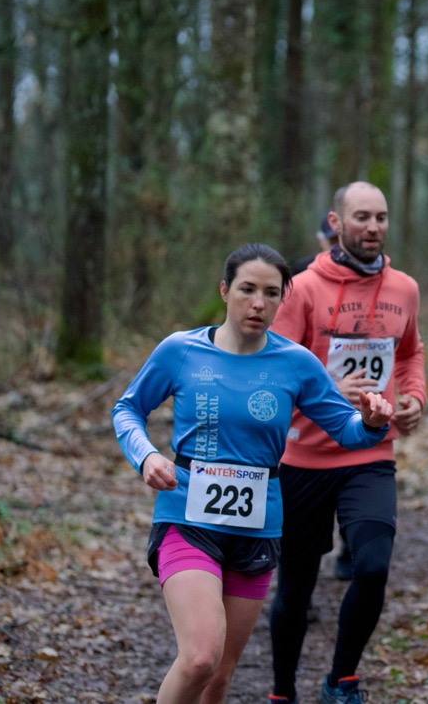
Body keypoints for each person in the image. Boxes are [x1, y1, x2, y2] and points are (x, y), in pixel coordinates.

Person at [112, 243, 395, 704]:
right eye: (247, 289)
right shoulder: (181, 351)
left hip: (256, 528)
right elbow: (127, 409)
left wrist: (371, 421)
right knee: (200, 658)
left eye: (270, 293)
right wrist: (145, 456)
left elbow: (346, 430)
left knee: (219, 677)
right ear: (225, 291)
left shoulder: (296, 363)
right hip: (187, 518)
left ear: (283, 298)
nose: (258, 303)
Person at [268, 182, 427, 704]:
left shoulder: (404, 288)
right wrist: (326, 389)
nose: (374, 227)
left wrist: (413, 397)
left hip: (370, 453)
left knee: (373, 567)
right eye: (362, 217)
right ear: (336, 223)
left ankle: (341, 680)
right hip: (304, 458)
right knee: (296, 588)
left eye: (381, 217)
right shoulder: (302, 289)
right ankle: (282, 691)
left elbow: (410, 353)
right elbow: (275, 367)